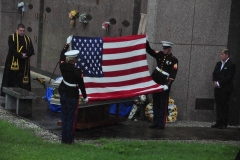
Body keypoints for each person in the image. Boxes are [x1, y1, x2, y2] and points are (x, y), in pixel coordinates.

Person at [59, 36, 88, 144]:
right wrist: (85, 96)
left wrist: (67, 44)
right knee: (71, 119)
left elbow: (61, 55)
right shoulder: (77, 71)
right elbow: (82, 85)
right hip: (72, 96)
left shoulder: (63, 66)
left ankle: (63, 139)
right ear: (74, 59)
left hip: (64, 93)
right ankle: (69, 140)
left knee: (64, 117)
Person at [146, 40, 178, 130]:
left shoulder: (174, 60)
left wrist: (168, 85)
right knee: (156, 102)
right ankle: (155, 122)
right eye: (163, 48)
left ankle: (161, 124)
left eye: (166, 49)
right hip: (156, 81)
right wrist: (146, 41)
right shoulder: (160, 54)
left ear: (170, 49)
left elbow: (173, 74)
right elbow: (150, 50)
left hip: (164, 83)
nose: (164, 50)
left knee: (163, 103)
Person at [1, 23, 34, 96]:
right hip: (13, 62)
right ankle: (9, 93)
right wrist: (20, 55)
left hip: (23, 63)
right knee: (12, 79)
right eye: (20, 30)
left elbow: (32, 50)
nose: (22, 32)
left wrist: (26, 55)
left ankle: (24, 93)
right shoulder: (11, 37)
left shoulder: (27, 39)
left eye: (23, 31)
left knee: (22, 80)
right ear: (17, 30)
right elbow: (12, 49)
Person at [211, 49, 236, 129]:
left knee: (224, 105)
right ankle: (218, 122)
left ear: (227, 55)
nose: (221, 56)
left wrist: (220, 83)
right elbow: (214, 73)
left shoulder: (231, 64)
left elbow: (228, 77)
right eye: (220, 54)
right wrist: (215, 82)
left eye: (222, 55)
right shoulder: (218, 64)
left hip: (225, 89)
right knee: (218, 105)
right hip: (218, 88)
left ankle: (224, 123)